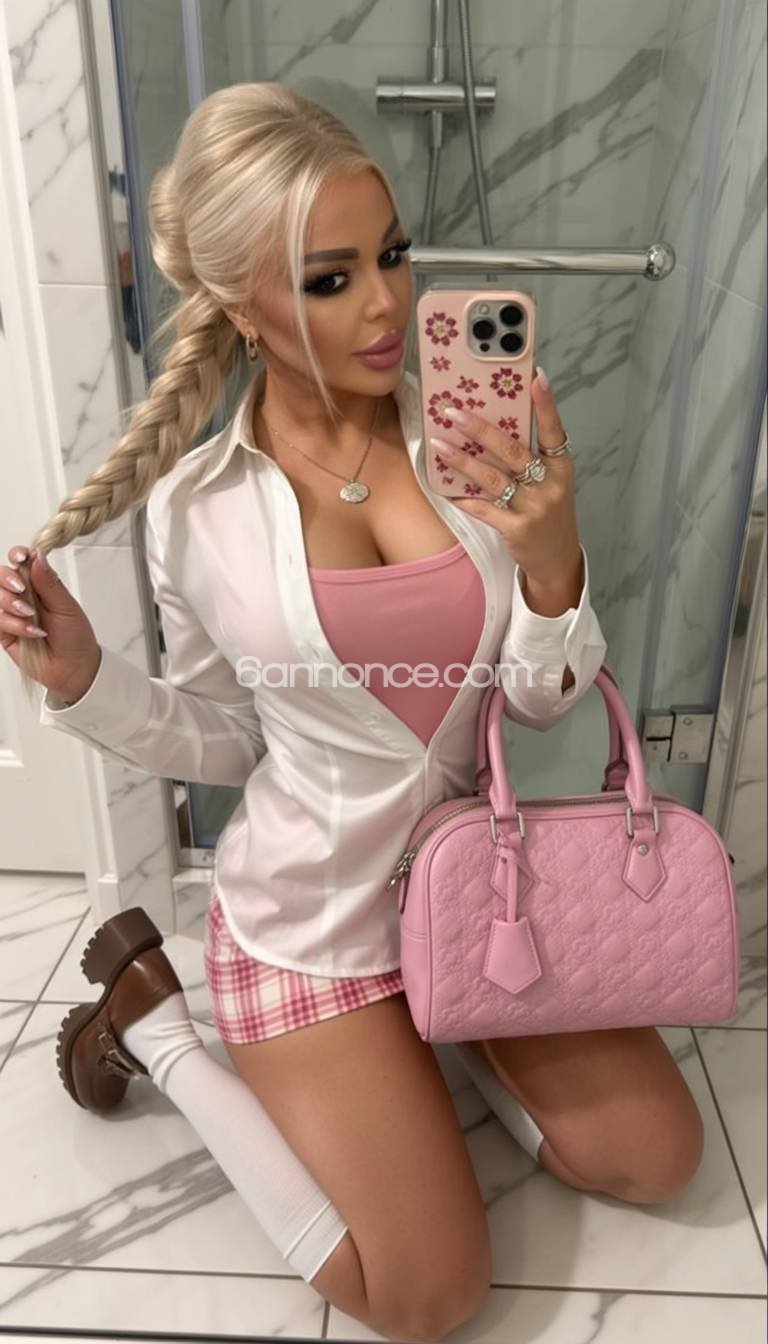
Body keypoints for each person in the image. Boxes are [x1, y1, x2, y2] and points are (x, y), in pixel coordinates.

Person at [1, 82, 624, 1342]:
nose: (388, 304)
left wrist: (554, 565)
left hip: (474, 892)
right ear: (242, 307)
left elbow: (539, 708)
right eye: (331, 279)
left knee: (650, 1156)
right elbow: (232, 738)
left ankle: (435, 1038)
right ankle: (160, 1024)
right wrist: (84, 681)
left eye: (392, 253)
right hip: (312, 924)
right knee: (427, 1294)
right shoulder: (198, 511)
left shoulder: (471, 438)